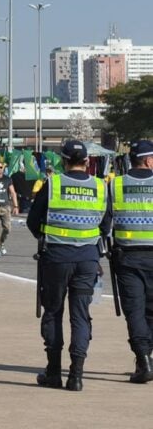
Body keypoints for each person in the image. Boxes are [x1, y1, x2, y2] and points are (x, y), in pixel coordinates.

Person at [26, 139, 110, 391]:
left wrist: (48, 237)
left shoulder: (52, 184)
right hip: (87, 259)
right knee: (81, 315)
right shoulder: (100, 186)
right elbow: (106, 226)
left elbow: (32, 221)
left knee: (53, 312)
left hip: (56, 258)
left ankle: (53, 372)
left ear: (62, 161)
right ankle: (76, 375)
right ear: (86, 161)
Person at [110, 139, 153, 383]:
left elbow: (105, 222)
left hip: (128, 257)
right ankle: (145, 358)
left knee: (134, 312)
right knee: (151, 312)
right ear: (148, 160)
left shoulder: (115, 185)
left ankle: (143, 359)